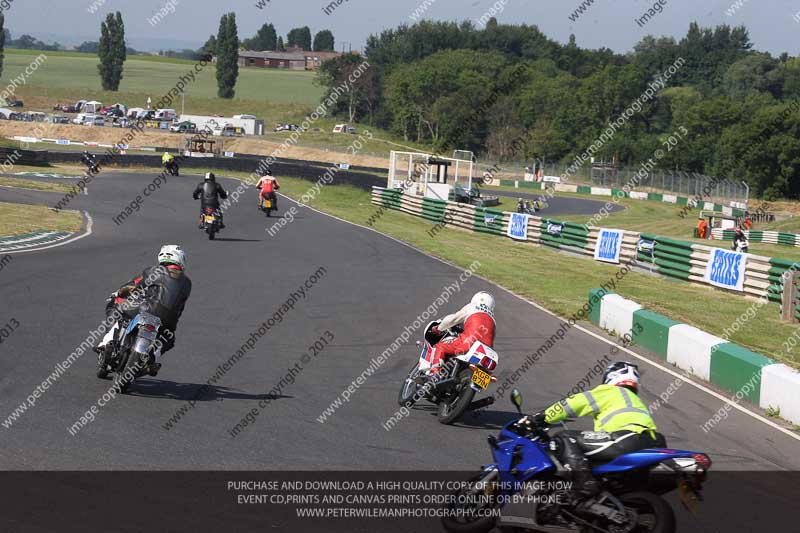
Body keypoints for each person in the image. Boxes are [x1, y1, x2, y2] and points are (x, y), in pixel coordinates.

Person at [528, 361, 665, 497]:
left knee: (565, 437)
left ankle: (584, 483)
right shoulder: (635, 400)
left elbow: (572, 403)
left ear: (612, 376)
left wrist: (541, 417)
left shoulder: (610, 391)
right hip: (653, 441)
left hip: (627, 439)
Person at [94, 245, 192, 377]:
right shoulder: (187, 283)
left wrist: (120, 293)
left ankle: (106, 343)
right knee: (169, 339)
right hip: (169, 321)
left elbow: (136, 287)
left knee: (118, 311)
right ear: (180, 259)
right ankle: (152, 357)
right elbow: (180, 306)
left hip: (148, 311)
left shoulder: (154, 271)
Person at [426, 292, 496, 376]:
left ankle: (434, 374)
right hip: (487, 351)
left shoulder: (473, 306)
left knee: (441, 346)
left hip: (469, 342)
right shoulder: (493, 319)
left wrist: (438, 329)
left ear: (475, 299)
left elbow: (452, 320)